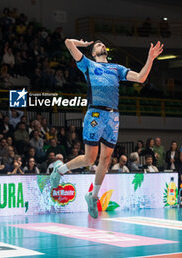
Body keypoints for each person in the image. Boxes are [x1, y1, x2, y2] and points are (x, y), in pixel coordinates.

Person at [50, 38, 163, 218]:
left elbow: (141, 78)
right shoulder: (87, 64)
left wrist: (150, 58)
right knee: (90, 159)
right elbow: (67, 43)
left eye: (102, 44)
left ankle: (93, 197)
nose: (101, 45)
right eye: (97, 45)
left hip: (113, 117)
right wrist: (82, 44)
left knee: (106, 158)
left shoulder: (116, 68)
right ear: (94, 52)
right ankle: (60, 170)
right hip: (95, 114)